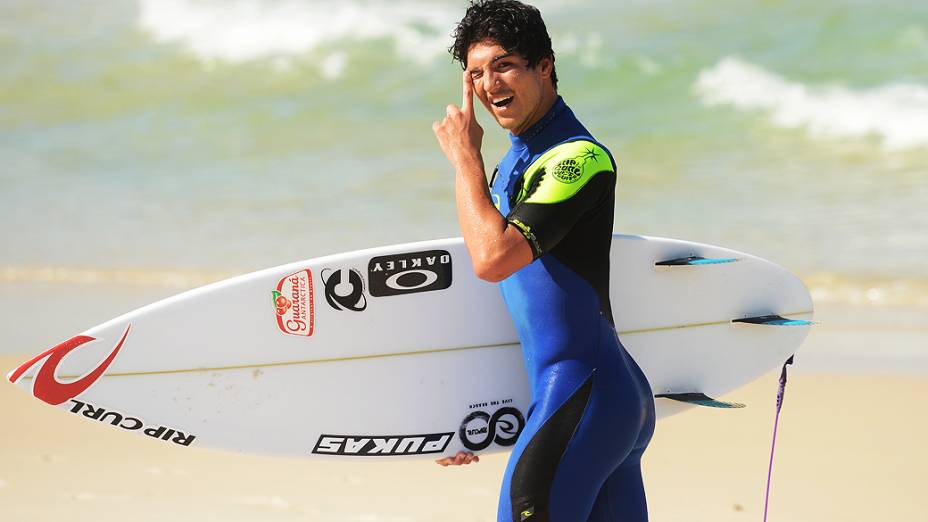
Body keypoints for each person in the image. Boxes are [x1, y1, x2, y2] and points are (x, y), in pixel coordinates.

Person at [431, 1, 656, 521]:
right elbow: (518, 305)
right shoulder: (514, 163)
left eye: (504, 64)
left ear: (545, 66)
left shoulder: (577, 159)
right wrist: (467, 418)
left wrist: (466, 160)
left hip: (584, 397)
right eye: (475, 73)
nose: (489, 84)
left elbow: (491, 260)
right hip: (583, 398)